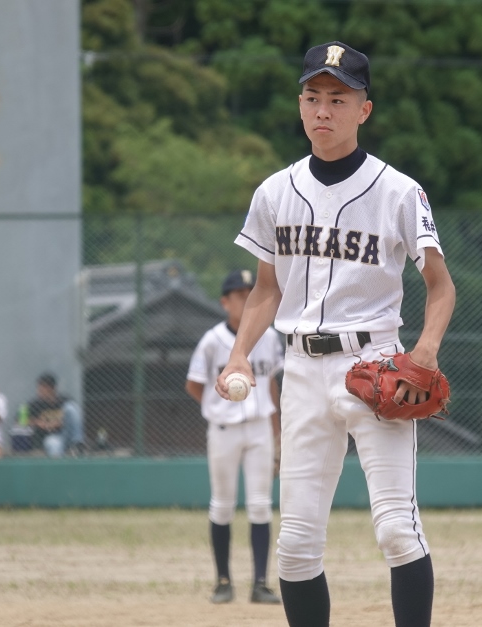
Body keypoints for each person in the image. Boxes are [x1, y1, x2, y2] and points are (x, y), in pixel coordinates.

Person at [215, 42, 456, 627]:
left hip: (375, 365)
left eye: (338, 99)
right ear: (301, 104)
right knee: (295, 546)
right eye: (313, 96)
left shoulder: (398, 192)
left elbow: (441, 286)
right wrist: (239, 354)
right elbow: (266, 290)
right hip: (300, 369)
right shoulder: (274, 192)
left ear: (363, 110)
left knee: (397, 530)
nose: (323, 110)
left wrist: (423, 353)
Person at [186, 269, 284, 605]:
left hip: (259, 429)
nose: (245, 299)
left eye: (249, 293)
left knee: (260, 506)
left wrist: (277, 430)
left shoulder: (269, 337)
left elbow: (271, 384)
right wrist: (215, 408)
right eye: (239, 295)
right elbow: (193, 383)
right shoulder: (212, 340)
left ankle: (260, 584)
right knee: (222, 504)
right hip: (224, 430)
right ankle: (223, 582)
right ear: (225, 302)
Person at [27, 372, 85, 458]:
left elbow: (73, 417)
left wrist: (58, 423)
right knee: (53, 444)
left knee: (71, 407)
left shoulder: (64, 400)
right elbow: (21, 421)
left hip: (66, 433)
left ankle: (77, 443)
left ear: (51, 388)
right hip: (51, 437)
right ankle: (60, 466)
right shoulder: (35, 404)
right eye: (39, 388)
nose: (39, 392)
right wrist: (39, 423)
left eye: (42, 388)